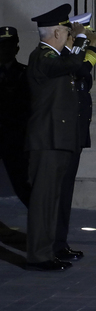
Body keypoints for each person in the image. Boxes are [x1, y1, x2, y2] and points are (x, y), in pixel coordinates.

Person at [25, 4, 90, 271]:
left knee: (54, 199)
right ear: (55, 33)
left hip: (59, 140)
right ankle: (39, 256)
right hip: (48, 140)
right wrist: (83, 40)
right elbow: (71, 62)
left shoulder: (57, 59)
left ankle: (51, 248)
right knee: (44, 201)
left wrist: (82, 44)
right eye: (67, 31)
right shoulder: (43, 57)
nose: (70, 36)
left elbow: (78, 68)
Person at [54, 13, 96, 262]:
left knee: (65, 192)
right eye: (80, 36)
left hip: (75, 134)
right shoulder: (62, 58)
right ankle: (52, 243)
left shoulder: (73, 59)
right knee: (57, 193)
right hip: (64, 136)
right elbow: (81, 70)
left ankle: (59, 242)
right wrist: (90, 47)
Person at [0, 26, 31, 207]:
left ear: (16, 49)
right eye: (1, 46)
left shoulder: (24, 74)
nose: (4, 51)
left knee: (22, 186)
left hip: (14, 140)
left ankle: (38, 229)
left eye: (9, 46)